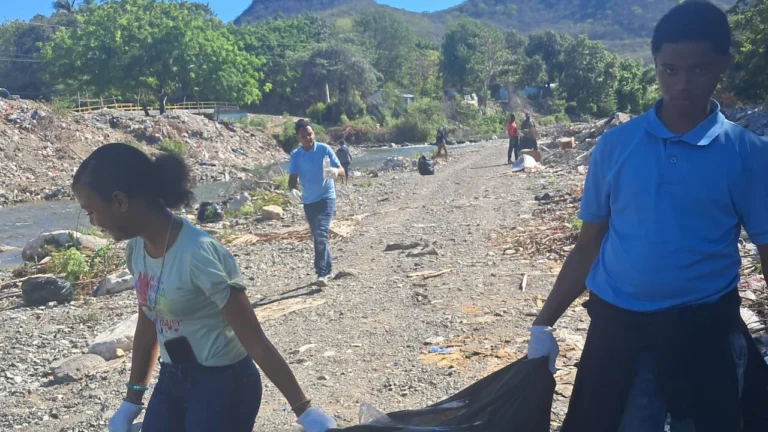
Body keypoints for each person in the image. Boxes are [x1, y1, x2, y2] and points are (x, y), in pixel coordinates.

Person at [526, 3, 768, 431]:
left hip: (705, 332)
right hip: (618, 332)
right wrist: (544, 323)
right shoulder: (616, 147)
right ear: (654, 65)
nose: (682, 84)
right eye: (669, 70)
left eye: (698, 69)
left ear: (723, 67)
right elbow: (589, 246)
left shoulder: (746, 154)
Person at [71, 144, 337, 432]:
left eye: (91, 212)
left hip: (223, 383)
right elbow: (148, 323)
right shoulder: (137, 250)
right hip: (172, 378)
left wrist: (303, 410)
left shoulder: (198, 254)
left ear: (119, 201)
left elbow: (254, 339)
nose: (93, 222)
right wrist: (131, 402)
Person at [288, 119, 344, 288]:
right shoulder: (295, 155)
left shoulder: (324, 149)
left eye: (310, 134)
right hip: (308, 200)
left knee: (320, 233)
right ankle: (328, 268)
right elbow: (292, 178)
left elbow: (342, 170)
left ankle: (321, 274)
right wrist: (292, 190)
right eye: (304, 135)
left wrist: (334, 171)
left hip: (327, 196)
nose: (308, 137)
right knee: (318, 236)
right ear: (298, 137)